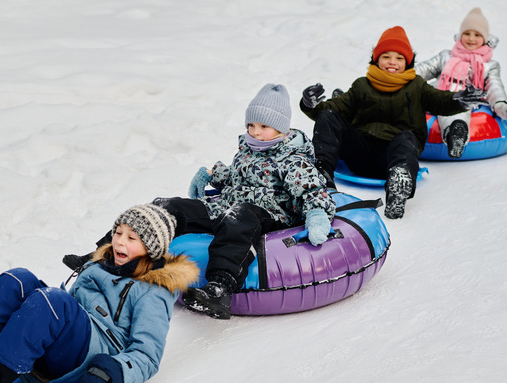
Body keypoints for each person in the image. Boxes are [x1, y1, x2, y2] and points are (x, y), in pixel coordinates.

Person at [65, 84, 336, 320]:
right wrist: (212, 173)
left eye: (263, 126)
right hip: (229, 203)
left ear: (281, 128)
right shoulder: (249, 148)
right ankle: (103, 255)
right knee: (168, 205)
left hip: (267, 212)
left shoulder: (293, 158)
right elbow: (238, 176)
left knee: (237, 217)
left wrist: (316, 214)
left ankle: (219, 287)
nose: (255, 132)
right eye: (251, 125)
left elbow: (311, 189)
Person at [0, 204, 199, 383]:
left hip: (88, 357)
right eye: (118, 233)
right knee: (17, 280)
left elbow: (148, 356)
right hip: (67, 337)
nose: (119, 242)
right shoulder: (99, 264)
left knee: (53, 301)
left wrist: (109, 372)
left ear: (150, 248)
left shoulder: (154, 290)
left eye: (131, 238)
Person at [300, 26, 487, 219]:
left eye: (399, 58)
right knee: (329, 116)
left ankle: (399, 181)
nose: (392, 62)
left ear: (407, 62)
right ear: (376, 59)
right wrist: (310, 105)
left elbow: (440, 100)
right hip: (360, 152)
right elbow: (332, 110)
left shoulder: (417, 86)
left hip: (393, 156)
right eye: (386, 56)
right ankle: (321, 176)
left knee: (407, 137)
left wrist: (459, 99)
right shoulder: (361, 85)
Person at [415, 7, 507, 158]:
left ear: (485, 38)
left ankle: (455, 134)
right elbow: (424, 69)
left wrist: (500, 103)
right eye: (467, 33)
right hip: (436, 94)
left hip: (463, 100)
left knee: (455, 108)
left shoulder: (488, 65)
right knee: (412, 101)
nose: (471, 38)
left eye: (477, 34)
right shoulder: (446, 56)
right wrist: (402, 76)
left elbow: (494, 86)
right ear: (460, 36)